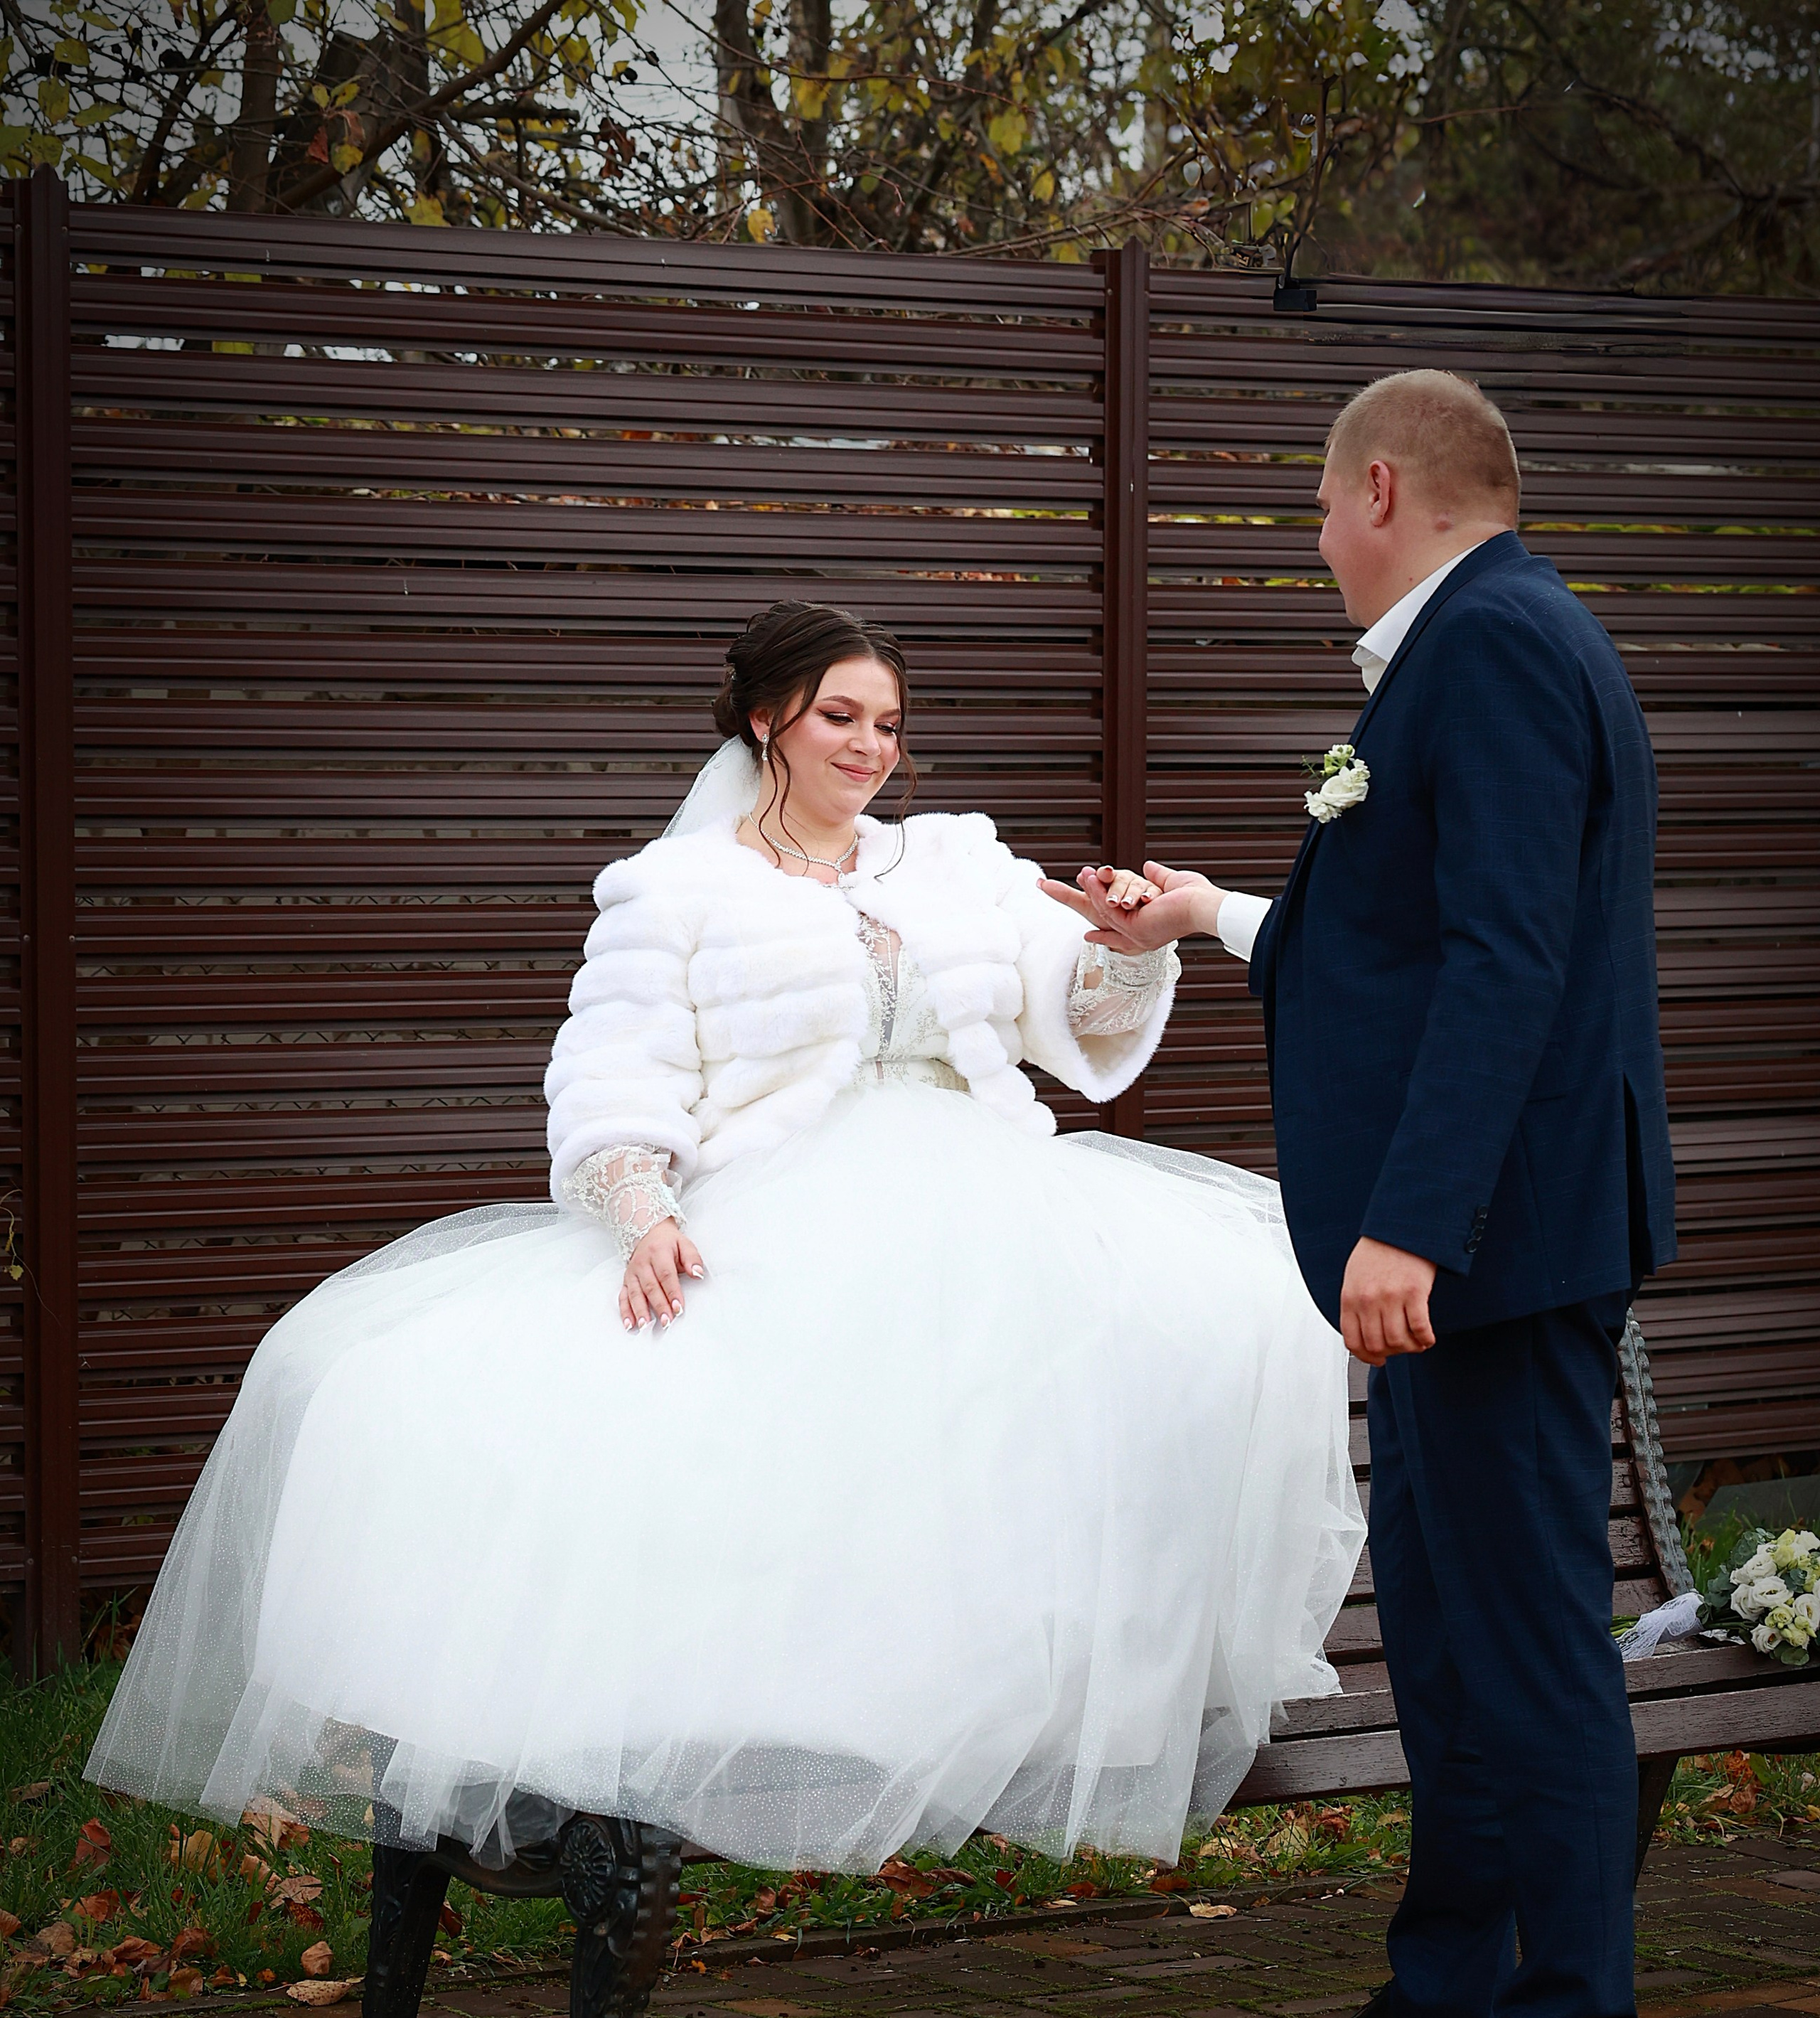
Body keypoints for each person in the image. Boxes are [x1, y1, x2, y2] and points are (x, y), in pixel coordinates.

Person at [88, 601, 1361, 1886]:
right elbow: (608, 1072)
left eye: (887, 724)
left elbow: (1065, 1009)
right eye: (840, 717)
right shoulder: (677, 889)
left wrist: (1126, 943)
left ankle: (1006, 1701)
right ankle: (779, 1734)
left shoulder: (954, 863)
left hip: (992, 1181)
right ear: (771, 720)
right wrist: (643, 1212)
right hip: (784, 1191)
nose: (869, 747)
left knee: (1194, 1324)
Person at [1059, 373, 1674, 2018]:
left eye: (1318, 512)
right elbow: (1400, 944)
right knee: (1449, 1628)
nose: (1315, 545)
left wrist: (1410, 1222)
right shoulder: (1489, 638)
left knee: (1527, 1641)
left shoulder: (1482, 650)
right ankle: (1451, 1998)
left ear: (1381, 487)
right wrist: (1212, 916)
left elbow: (1505, 963)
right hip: (1462, 1247)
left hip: (1480, 1248)